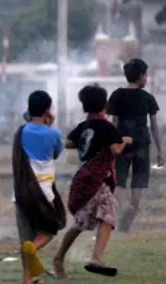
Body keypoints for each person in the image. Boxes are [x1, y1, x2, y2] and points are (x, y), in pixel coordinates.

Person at [53, 85, 133, 278]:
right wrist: (125, 141)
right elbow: (116, 151)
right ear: (105, 105)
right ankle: (60, 258)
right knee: (85, 221)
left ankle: (96, 258)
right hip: (95, 180)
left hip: (88, 180)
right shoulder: (106, 128)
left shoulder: (84, 126)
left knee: (107, 216)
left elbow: (70, 143)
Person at [12, 90, 66, 284]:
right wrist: (50, 124)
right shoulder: (53, 134)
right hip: (42, 192)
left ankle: (28, 279)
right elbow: (56, 154)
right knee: (48, 231)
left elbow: (30, 121)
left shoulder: (21, 132)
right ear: (47, 111)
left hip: (20, 193)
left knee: (25, 239)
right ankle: (34, 250)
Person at [107, 58, 163, 233]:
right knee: (138, 183)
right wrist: (160, 150)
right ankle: (128, 218)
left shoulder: (117, 95)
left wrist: (110, 145)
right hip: (141, 145)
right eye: (145, 75)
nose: (147, 78)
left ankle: (118, 217)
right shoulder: (148, 98)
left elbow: (113, 123)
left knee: (120, 182)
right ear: (140, 76)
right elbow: (154, 126)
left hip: (122, 145)